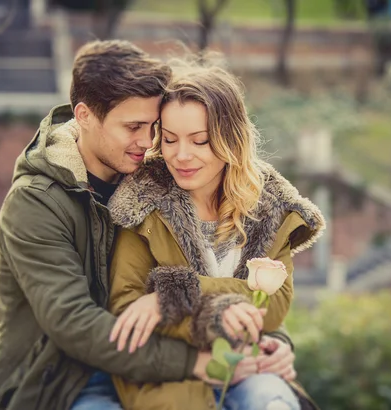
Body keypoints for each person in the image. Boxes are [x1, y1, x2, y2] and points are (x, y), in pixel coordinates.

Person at [0, 40, 297, 410]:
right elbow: (76, 326)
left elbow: (226, 274)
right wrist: (195, 362)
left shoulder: (158, 179)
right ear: (84, 116)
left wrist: (275, 343)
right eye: (133, 127)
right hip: (66, 380)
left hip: (167, 365)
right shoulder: (36, 203)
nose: (148, 143)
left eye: (154, 127)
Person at [106, 62, 325, 409]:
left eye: (200, 141)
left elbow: (274, 306)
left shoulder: (271, 207)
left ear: (230, 140)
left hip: (248, 366)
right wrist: (219, 312)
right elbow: (127, 307)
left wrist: (175, 293)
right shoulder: (142, 203)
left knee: (273, 402)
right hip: (168, 376)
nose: (181, 155)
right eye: (169, 139)